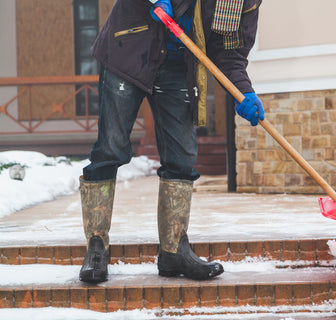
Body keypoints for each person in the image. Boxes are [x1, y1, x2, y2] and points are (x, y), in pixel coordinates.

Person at [78, 0, 264, 283]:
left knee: (182, 156)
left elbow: (230, 54)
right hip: (129, 48)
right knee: (110, 149)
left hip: (178, 66)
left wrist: (244, 92)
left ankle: (174, 250)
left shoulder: (243, 3)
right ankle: (96, 248)